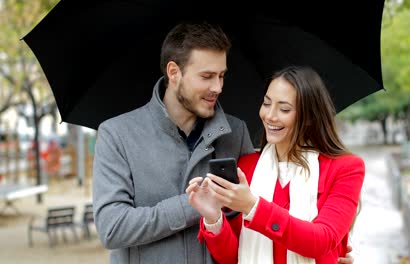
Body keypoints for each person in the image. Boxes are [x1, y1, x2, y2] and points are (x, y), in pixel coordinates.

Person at [93, 21, 355, 263]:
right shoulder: (118, 135)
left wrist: (330, 253)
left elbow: (243, 236)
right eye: (207, 76)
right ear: (174, 72)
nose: (218, 87)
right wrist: (194, 205)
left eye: (222, 75)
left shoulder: (235, 132)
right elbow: (112, 228)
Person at [186, 66, 365, 264]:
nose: (270, 116)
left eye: (284, 109)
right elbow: (233, 258)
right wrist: (213, 218)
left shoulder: (345, 168)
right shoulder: (247, 167)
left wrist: (253, 206)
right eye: (266, 103)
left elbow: (321, 241)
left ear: (310, 117)